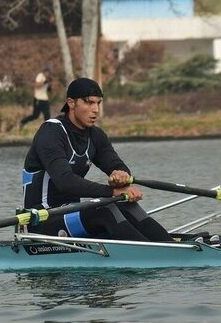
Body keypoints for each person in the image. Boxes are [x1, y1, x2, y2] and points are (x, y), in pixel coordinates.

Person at [22, 77, 174, 242]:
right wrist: (112, 191)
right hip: (43, 219)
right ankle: (151, 254)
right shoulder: (51, 132)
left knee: (125, 204)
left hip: (72, 214)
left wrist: (120, 175)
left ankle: (169, 246)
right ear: (71, 103)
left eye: (98, 103)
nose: (96, 110)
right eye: (89, 103)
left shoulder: (95, 135)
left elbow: (115, 164)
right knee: (105, 208)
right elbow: (65, 181)